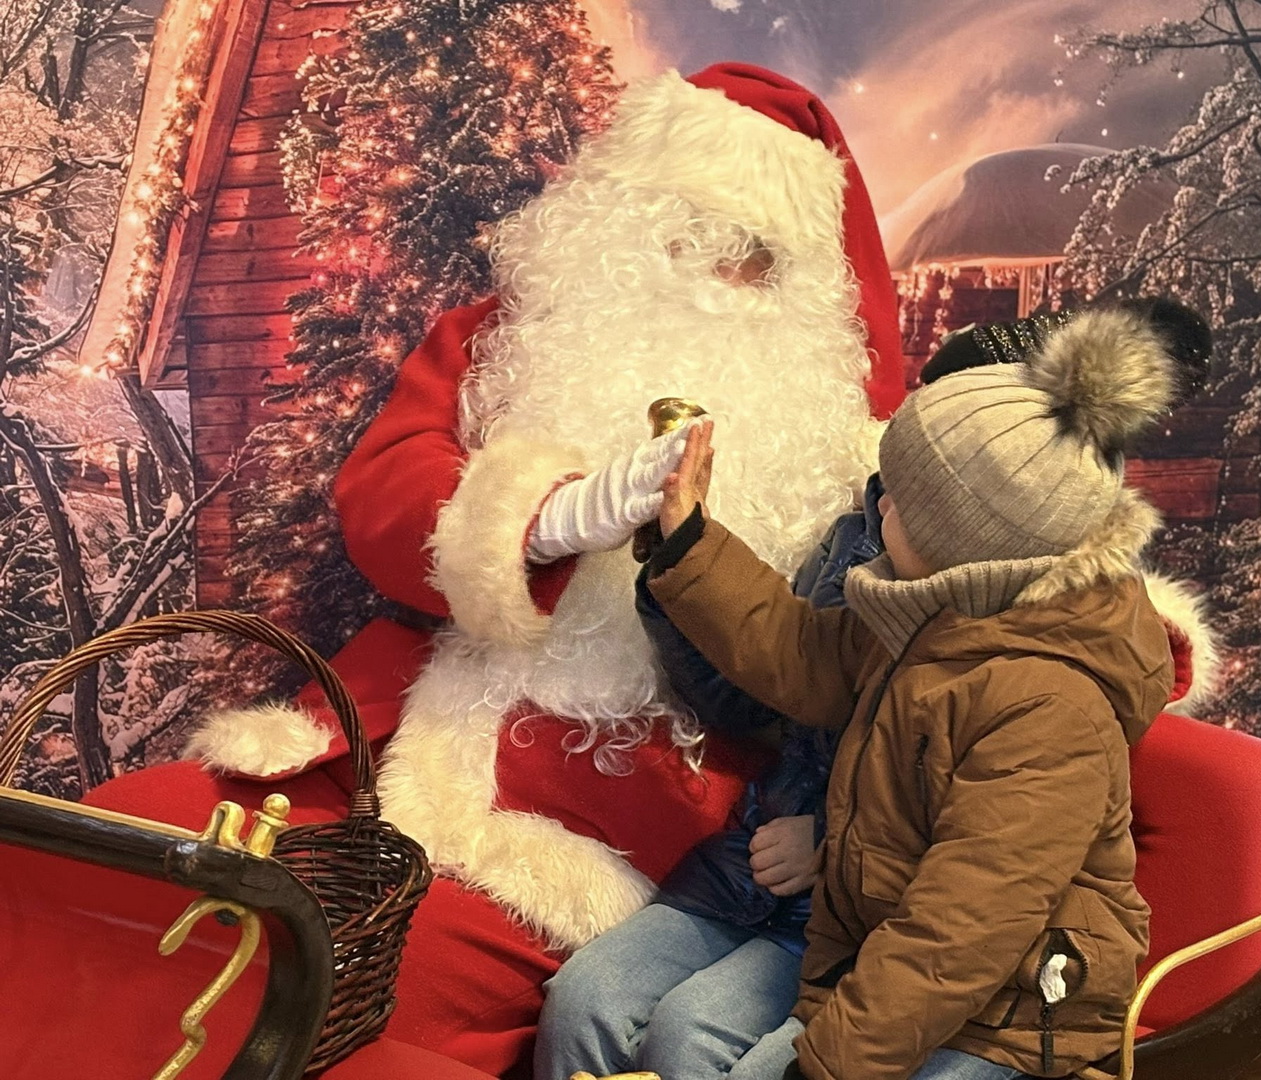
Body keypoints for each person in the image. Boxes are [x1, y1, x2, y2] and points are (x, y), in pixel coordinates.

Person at [75, 63, 908, 1077]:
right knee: (117, 852)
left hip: (617, 817)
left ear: (803, 279)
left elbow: (923, 636)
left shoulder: (858, 447)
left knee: (336, 989)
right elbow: (381, 493)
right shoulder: (514, 339)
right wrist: (548, 518)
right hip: (399, 740)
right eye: (683, 232)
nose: (712, 274)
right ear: (621, 221)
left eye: (751, 254)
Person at [641, 303, 1189, 1080]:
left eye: (902, 497)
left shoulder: (1048, 707)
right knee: (686, 1036)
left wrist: (826, 1067)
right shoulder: (935, 613)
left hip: (1011, 1013)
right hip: (889, 952)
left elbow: (960, 932)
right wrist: (691, 543)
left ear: (961, 538)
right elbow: (801, 650)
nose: (882, 504)